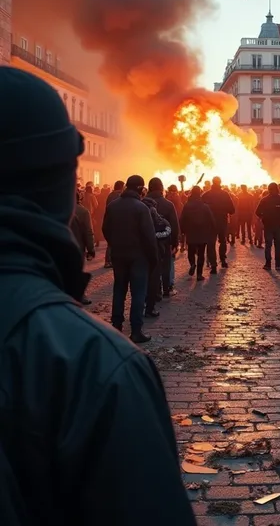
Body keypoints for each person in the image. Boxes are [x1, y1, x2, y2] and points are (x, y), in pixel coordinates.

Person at [0, 68, 196, 525]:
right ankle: (138, 319)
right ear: (64, 194)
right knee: (135, 292)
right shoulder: (97, 367)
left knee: (125, 291)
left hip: (120, 260)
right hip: (139, 263)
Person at [102, 175, 158, 343]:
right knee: (138, 292)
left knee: (119, 289)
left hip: (119, 254)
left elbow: (105, 229)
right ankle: (135, 330)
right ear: (140, 188)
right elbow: (149, 237)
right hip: (138, 257)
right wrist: (153, 258)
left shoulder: (112, 206)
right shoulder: (141, 208)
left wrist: (114, 244)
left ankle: (116, 325)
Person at [147, 178, 179, 298]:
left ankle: (155, 290)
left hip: (148, 240)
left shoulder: (143, 203)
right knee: (166, 265)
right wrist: (175, 242)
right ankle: (167, 289)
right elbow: (174, 225)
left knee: (151, 266)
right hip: (164, 240)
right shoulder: (168, 204)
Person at [142, 196, 172, 317]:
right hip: (155, 253)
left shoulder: (138, 214)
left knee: (140, 281)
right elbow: (168, 231)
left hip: (139, 254)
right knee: (153, 279)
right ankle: (150, 307)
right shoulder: (158, 219)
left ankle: (142, 304)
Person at [180, 186, 216, 281]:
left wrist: (183, 231)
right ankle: (199, 274)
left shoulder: (187, 205)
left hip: (191, 232)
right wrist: (213, 230)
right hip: (203, 233)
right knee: (201, 254)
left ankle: (192, 264)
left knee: (191, 252)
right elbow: (212, 220)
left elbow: (182, 219)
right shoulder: (205, 206)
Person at [202, 176, 235, 273]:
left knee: (211, 244)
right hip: (222, 221)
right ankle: (223, 259)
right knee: (223, 241)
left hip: (210, 223)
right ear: (220, 182)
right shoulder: (225, 194)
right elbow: (232, 210)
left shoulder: (206, 195)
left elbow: (201, 209)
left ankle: (213, 265)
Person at [255, 182, 280, 271]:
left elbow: (257, 212)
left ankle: (268, 264)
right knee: (277, 245)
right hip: (279, 225)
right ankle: (278, 264)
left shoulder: (264, 200)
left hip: (268, 225)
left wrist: (263, 217)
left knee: (268, 245)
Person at [70, 191, 95, 305]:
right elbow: (88, 232)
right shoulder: (83, 211)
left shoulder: (57, 208)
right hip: (78, 246)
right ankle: (80, 295)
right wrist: (91, 249)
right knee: (78, 270)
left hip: (61, 244)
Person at [104, 180, 125, 268]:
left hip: (110, 219)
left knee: (111, 242)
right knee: (114, 242)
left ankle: (108, 260)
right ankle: (110, 260)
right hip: (117, 220)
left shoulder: (110, 195)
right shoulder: (119, 195)